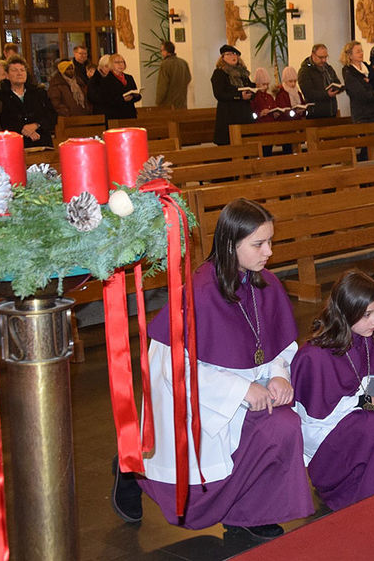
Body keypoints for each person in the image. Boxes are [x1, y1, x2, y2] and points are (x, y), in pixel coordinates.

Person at [112, 199, 313, 539]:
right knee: (195, 501)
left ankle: (251, 513)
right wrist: (240, 390)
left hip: (249, 395)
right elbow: (171, 365)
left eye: (270, 241)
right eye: (259, 244)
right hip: (203, 402)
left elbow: (277, 345)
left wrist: (279, 374)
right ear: (230, 245)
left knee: (284, 424)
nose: (269, 252)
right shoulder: (200, 293)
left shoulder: (265, 282)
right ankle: (129, 468)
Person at [292, 271, 374, 511]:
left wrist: (370, 402)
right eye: (368, 314)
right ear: (346, 313)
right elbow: (316, 421)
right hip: (325, 449)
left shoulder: (371, 336)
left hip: (360, 431)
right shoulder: (313, 357)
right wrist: (365, 403)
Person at [0, 56, 57, 147]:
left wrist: (36, 125)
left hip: (41, 140)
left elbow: (51, 115)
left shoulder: (39, 93)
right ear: (7, 75)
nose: (19, 73)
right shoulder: (0, 95)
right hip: (14, 143)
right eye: (14, 70)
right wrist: (23, 129)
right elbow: (3, 119)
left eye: (22, 70)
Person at [211, 44, 254, 145]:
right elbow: (219, 94)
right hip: (228, 114)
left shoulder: (243, 74)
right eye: (229, 54)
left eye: (234, 54)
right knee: (230, 146)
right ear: (223, 57)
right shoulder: (219, 73)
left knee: (246, 146)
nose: (233, 56)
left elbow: (250, 87)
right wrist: (239, 96)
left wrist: (252, 92)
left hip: (244, 114)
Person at [90, 53, 140, 121]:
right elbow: (106, 99)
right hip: (115, 115)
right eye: (117, 62)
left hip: (130, 113)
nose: (120, 64)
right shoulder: (106, 80)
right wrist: (122, 99)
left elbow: (135, 93)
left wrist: (135, 96)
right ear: (111, 64)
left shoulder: (129, 77)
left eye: (122, 62)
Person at [297, 43, 340, 118]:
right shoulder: (305, 71)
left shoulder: (328, 68)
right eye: (321, 57)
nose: (324, 60)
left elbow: (336, 81)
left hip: (331, 112)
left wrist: (338, 88)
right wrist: (326, 94)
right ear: (313, 55)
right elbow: (308, 93)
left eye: (326, 57)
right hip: (316, 114)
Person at [341, 40, 374, 124]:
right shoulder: (348, 71)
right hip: (361, 114)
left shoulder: (367, 67)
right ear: (350, 55)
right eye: (358, 52)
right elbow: (360, 93)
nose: (361, 53)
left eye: (361, 51)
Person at [155, 40, 192, 109]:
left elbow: (162, 86)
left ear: (166, 51)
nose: (161, 53)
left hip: (169, 104)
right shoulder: (183, 63)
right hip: (182, 102)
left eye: (162, 50)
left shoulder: (165, 64)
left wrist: (158, 102)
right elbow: (188, 78)